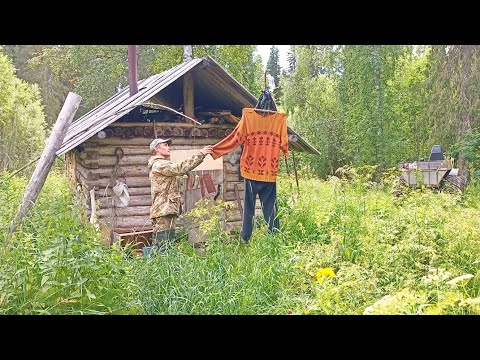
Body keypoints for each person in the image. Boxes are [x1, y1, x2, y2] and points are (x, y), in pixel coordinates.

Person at [148, 138, 213, 252]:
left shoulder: (161, 164)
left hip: (166, 209)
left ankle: (166, 267)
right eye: (165, 145)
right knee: (163, 245)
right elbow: (180, 168)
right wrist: (201, 154)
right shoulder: (159, 164)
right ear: (157, 148)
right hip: (163, 209)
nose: (169, 147)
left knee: (167, 243)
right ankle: (162, 267)